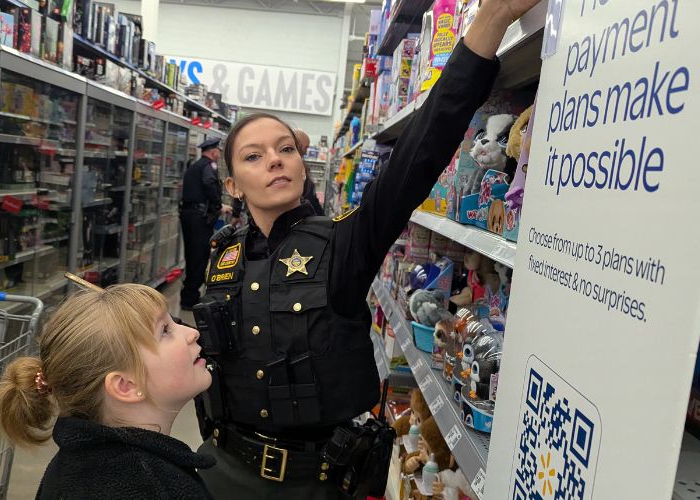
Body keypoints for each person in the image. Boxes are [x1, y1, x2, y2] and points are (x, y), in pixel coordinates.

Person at [192, 1, 539, 499]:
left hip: (314, 485)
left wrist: (492, 20)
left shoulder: (343, 241)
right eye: (254, 156)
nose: (275, 160)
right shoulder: (223, 256)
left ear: (302, 164)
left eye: (286, 149)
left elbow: (421, 149)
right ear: (232, 185)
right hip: (221, 471)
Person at [0, 284, 215, 499]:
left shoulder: (76, 467)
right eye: (165, 330)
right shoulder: (144, 485)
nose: (191, 332)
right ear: (126, 385)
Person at [180, 138, 232, 310]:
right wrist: (218, 206)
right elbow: (209, 184)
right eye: (218, 152)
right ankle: (190, 298)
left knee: (191, 254)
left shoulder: (194, 166)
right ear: (213, 152)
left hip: (188, 215)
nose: (218, 155)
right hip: (199, 218)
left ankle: (189, 294)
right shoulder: (209, 166)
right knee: (199, 255)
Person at [294, 129, 325, 216]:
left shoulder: (301, 164)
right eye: (306, 147)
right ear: (298, 144)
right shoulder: (293, 166)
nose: (306, 152)